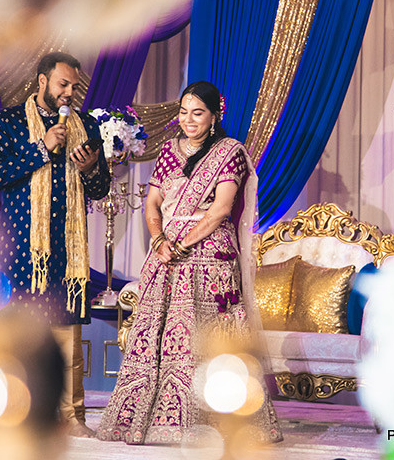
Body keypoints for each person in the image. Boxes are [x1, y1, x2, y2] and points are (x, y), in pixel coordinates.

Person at [96, 81, 282, 445]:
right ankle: (148, 422)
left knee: (208, 340)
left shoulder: (229, 152)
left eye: (197, 113)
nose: (189, 120)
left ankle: (217, 422)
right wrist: (159, 239)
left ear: (214, 116)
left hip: (210, 255)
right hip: (167, 254)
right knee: (155, 339)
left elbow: (221, 209)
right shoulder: (168, 150)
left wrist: (181, 242)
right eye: (184, 112)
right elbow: (152, 205)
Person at [0, 52, 110, 437]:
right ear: (42, 81)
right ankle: (13, 413)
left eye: (74, 86)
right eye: (62, 85)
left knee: (67, 327)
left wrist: (90, 170)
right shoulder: (8, 121)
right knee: (18, 330)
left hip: (68, 251)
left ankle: (72, 417)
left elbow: (100, 188)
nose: (69, 93)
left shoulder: (86, 125)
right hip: (22, 246)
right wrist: (41, 149)